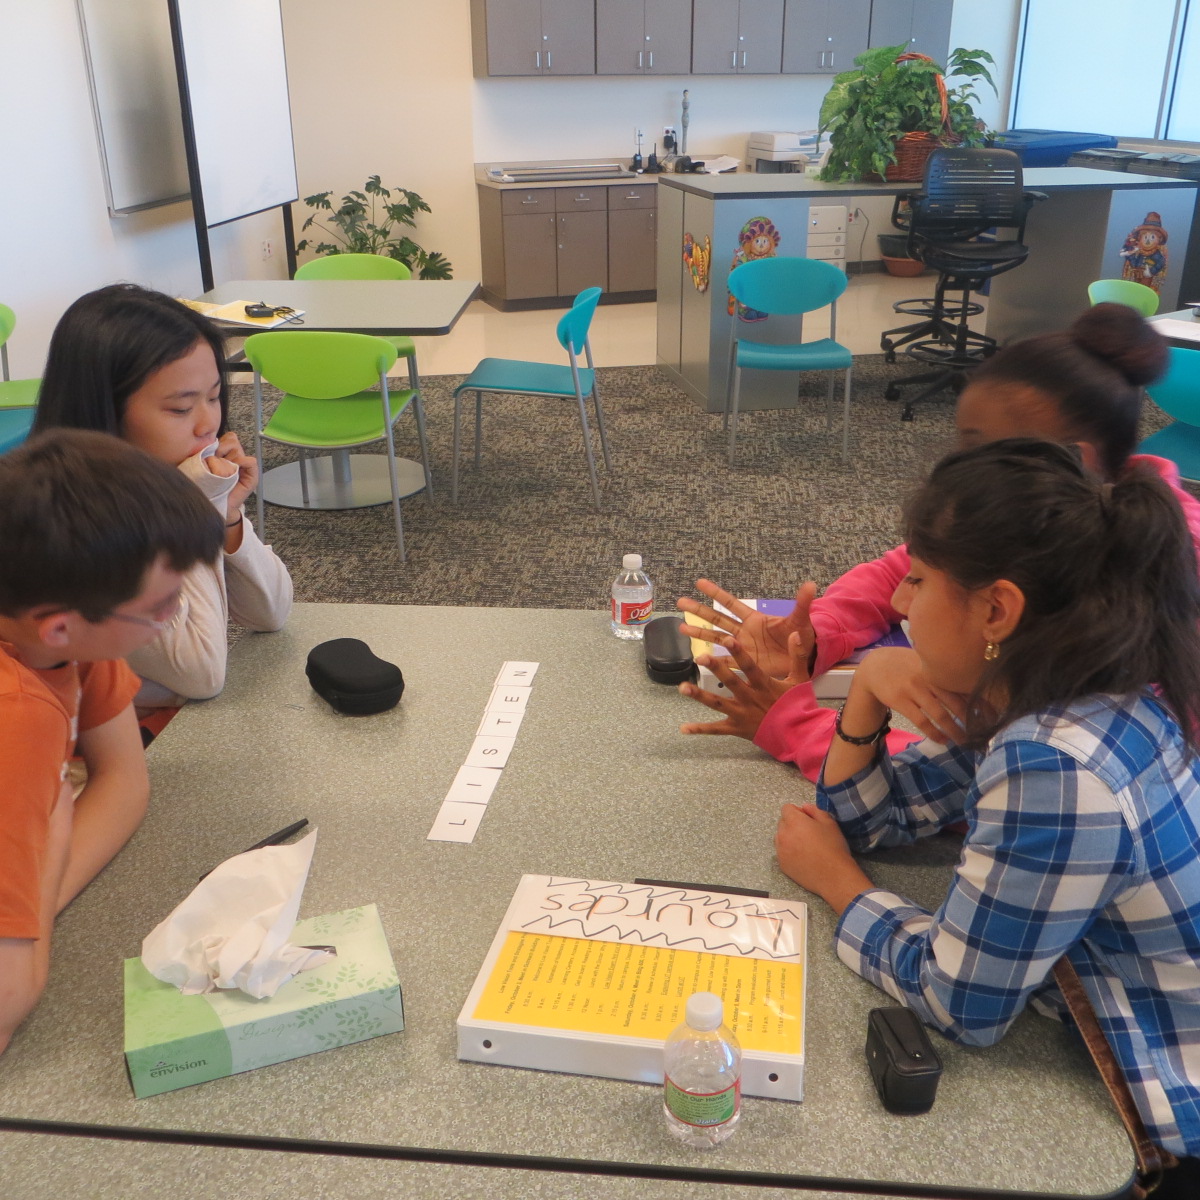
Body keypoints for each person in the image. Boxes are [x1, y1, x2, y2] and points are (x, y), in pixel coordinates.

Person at [777, 438, 1200, 1178]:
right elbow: (874, 818)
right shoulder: (1067, 681)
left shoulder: (1056, 767)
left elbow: (959, 1005)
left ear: (998, 610)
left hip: (1162, 1111)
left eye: (918, 581)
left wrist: (838, 884)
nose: (900, 604)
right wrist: (871, 685)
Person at [676, 303, 1200, 779]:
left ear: (1071, 460)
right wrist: (814, 636)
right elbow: (897, 572)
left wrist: (798, 727)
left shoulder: (1144, 583)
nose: (956, 466)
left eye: (979, 447)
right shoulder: (1060, 511)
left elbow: (992, 777)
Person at [0, 430, 225, 1054]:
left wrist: (32, 900)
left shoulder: (66, 637)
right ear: (61, 625)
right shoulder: (17, 717)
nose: (173, 618)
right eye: (162, 605)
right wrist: (56, 820)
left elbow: (124, 782)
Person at [33, 283, 293, 716]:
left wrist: (227, 520)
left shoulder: (165, 477)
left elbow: (271, 614)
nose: (209, 423)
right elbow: (201, 673)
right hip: (79, 760)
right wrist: (198, 505)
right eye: (180, 409)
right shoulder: (79, 521)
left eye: (214, 397)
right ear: (106, 412)